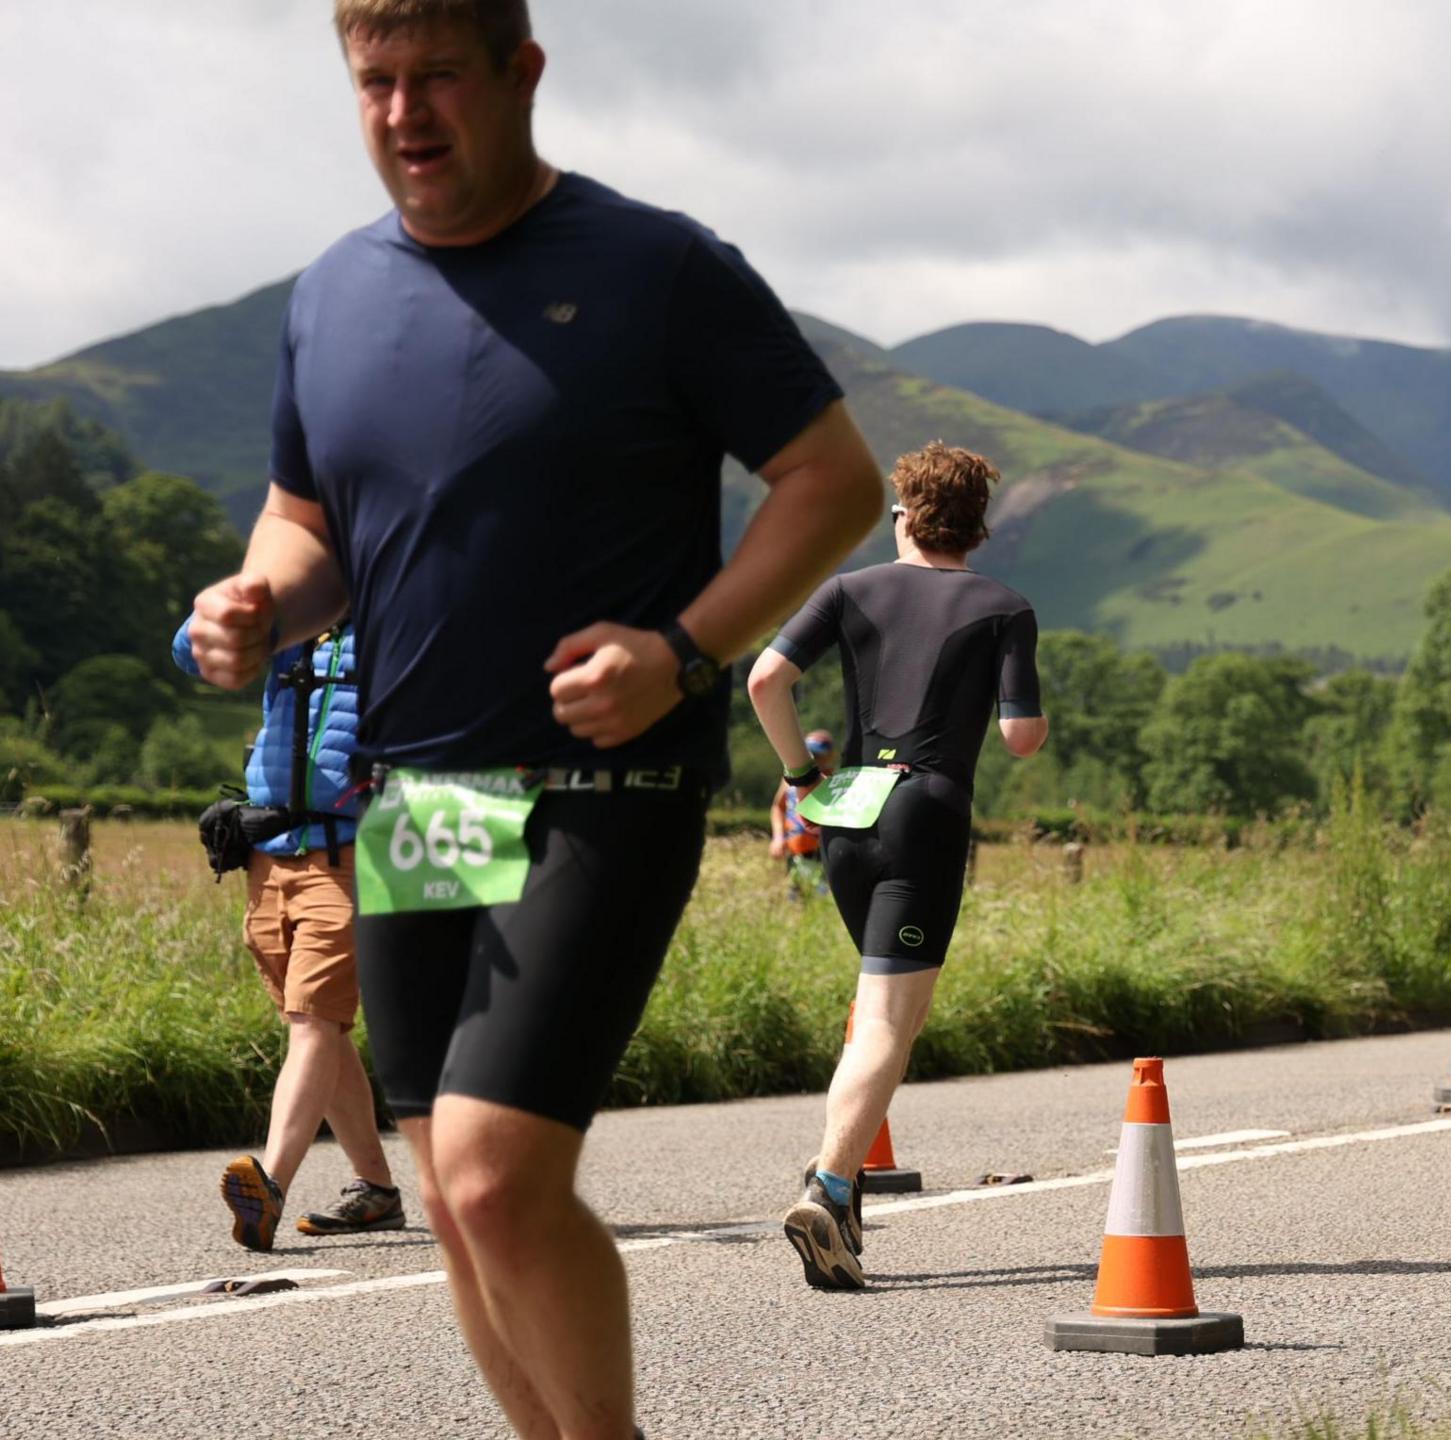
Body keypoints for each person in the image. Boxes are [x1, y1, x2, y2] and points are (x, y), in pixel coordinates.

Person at [185, 2, 884, 1432]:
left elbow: (833, 481)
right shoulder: (329, 297)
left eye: (437, 75)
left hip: (599, 790)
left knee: (500, 1170)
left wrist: (685, 651)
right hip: (420, 799)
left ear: (521, 73)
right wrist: (258, 601)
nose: (404, 112)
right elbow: (304, 522)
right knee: (447, 1196)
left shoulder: (659, 269)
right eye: (374, 82)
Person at [747, 443, 1044, 1291]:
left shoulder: (848, 589)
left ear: (903, 517)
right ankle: (830, 1184)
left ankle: (839, 1205)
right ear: (978, 528)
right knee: (887, 1020)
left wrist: (803, 779)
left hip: (846, 807)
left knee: (875, 1007)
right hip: (927, 809)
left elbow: (767, 681)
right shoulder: (1004, 605)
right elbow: (1022, 737)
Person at [173, 622, 402, 1248]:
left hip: (347, 857)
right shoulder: (292, 624)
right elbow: (191, 653)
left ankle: (270, 1183)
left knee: (313, 1022)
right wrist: (253, 597)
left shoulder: (394, 618)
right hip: (268, 856)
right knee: (321, 1028)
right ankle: (377, 1191)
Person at [770, 729, 837, 898]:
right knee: (794, 902)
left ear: (830, 756)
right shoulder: (790, 779)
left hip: (821, 857)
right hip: (794, 854)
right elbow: (778, 807)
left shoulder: (835, 782)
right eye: (810, 753)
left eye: (818, 755)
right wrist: (778, 837)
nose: (814, 759)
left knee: (820, 902)